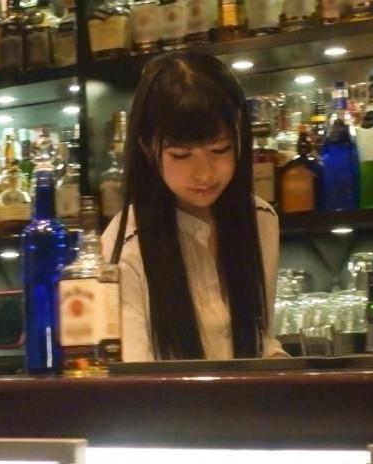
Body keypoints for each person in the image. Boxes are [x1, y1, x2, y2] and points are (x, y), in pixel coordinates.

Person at [101, 52, 287, 361]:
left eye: (220, 149)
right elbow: (134, 377)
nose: (204, 173)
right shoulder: (123, 248)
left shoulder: (260, 219)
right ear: (147, 148)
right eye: (181, 155)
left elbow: (260, 339)